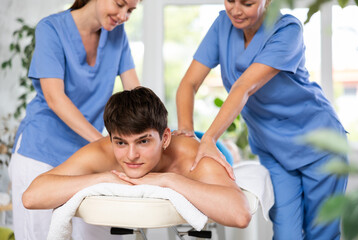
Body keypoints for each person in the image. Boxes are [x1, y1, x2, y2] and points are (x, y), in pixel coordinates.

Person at [175, 0, 348, 239]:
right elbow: (189, 83)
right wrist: (187, 133)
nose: (235, 10)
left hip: (318, 144)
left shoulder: (287, 30)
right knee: (286, 235)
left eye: (247, 3)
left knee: (322, 234)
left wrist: (210, 139)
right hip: (273, 151)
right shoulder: (222, 25)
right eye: (230, 0)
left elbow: (243, 88)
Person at [22, 87, 252, 233]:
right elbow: (32, 197)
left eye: (143, 142)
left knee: (231, 153)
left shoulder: (192, 158)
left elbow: (239, 215)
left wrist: (169, 180)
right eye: (121, 142)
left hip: (207, 144)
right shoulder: (104, 151)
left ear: (164, 138)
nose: (131, 155)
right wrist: (102, 178)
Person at [8, 0, 140, 239]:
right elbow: (54, 97)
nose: (123, 16)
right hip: (41, 152)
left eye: (131, 10)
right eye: (120, 4)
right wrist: (106, 144)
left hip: (87, 156)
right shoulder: (51, 28)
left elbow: (137, 95)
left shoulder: (117, 35)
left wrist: (155, 133)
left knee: (100, 232)